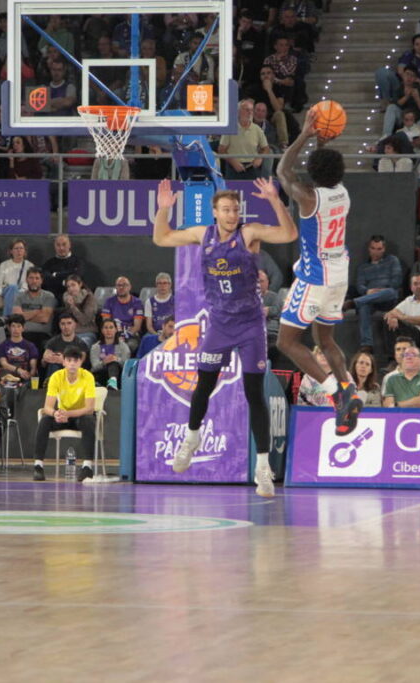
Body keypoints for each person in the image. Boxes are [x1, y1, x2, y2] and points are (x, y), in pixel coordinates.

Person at [153, 177, 296, 498]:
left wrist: (275, 200)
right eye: (227, 209)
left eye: (236, 209)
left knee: (253, 393)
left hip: (249, 326)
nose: (233, 214)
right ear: (215, 212)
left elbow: (289, 234)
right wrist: (163, 210)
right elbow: (161, 238)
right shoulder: (201, 234)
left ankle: (262, 467)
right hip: (219, 325)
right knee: (203, 385)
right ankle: (192, 438)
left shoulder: (249, 233)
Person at [274, 109, 364, 434]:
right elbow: (323, 167)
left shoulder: (308, 198)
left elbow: (283, 170)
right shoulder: (344, 193)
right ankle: (349, 387)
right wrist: (321, 139)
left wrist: (304, 135)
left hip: (315, 277)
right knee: (325, 338)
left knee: (287, 343)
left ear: (313, 173)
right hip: (340, 272)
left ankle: (336, 395)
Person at [32, 346, 98, 482]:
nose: (72, 363)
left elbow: (89, 409)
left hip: (80, 417)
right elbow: (47, 407)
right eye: (69, 360)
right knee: (45, 420)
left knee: (89, 419)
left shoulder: (88, 377)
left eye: (76, 360)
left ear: (80, 362)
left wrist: (68, 413)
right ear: (64, 362)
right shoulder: (56, 377)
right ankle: (38, 466)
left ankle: (87, 467)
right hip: (63, 417)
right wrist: (55, 413)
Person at [378, 273, 420, 355]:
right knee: (388, 319)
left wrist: (401, 317)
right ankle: (393, 357)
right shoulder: (408, 300)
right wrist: (393, 317)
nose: (419, 286)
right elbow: (391, 313)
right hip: (411, 336)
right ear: (411, 287)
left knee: (399, 321)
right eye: (415, 284)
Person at [13, 268, 57, 350]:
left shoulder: (49, 296)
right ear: (26, 280)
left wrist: (24, 315)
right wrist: (37, 311)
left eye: (37, 278)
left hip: (42, 335)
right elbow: (17, 318)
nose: (34, 281)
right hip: (23, 334)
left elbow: (44, 318)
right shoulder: (19, 296)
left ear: (41, 280)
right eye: (31, 278)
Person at [0, 238, 35, 315]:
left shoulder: (30, 266)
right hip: (5, 293)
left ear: (24, 251)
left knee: (14, 289)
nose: (19, 251)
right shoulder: (4, 265)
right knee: (12, 288)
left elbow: (31, 284)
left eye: (21, 248)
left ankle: (8, 319)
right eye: (16, 248)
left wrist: (17, 294)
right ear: (11, 251)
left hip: (23, 294)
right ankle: (11, 318)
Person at [0, 314, 39, 390]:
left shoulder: (30, 346)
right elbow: (4, 364)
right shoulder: (3, 346)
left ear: (23, 328)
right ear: (9, 328)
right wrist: (18, 370)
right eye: (13, 326)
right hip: (9, 374)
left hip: (25, 375)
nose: (16, 329)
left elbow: (33, 366)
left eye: (19, 326)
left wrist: (30, 374)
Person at [101, 276, 145, 353]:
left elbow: (137, 326)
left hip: (131, 336)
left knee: (128, 347)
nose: (121, 287)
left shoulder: (137, 302)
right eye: (119, 285)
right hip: (113, 335)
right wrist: (116, 336)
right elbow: (106, 323)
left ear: (129, 287)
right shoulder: (109, 302)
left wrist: (124, 336)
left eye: (124, 285)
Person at [91, 319, 130, 391]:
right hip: (102, 373)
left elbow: (127, 365)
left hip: (119, 374)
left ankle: (113, 382)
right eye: (106, 328)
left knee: (113, 363)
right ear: (102, 330)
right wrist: (104, 362)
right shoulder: (95, 347)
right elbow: (94, 367)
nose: (108, 330)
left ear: (116, 330)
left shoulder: (123, 346)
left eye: (111, 327)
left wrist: (116, 359)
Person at [40, 234, 82, 301]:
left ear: (69, 245)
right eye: (58, 245)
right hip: (52, 299)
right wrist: (64, 280)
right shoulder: (48, 264)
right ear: (54, 246)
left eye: (64, 244)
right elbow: (46, 281)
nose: (61, 248)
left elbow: (76, 279)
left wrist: (55, 275)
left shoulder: (77, 262)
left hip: (73, 300)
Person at [60, 275, 98, 346]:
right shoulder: (67, 299)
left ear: (80, 284)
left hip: (86, 332)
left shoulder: (89, 298)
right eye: (68, 286)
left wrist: (73, 306)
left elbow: (85, 320)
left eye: (73, 285)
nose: (71, 288)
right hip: (70, 333)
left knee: (79, 345)